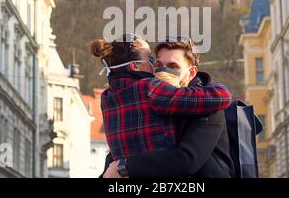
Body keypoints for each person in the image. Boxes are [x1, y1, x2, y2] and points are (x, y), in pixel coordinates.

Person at [89, 34, 232, 167]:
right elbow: (223, 95)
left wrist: (122, 168)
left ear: (192, 72)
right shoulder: (150, 88)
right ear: (135, 66)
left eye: (172, 67)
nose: (160, 70)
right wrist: (212, 84)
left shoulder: (106, 96)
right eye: (153, 62)